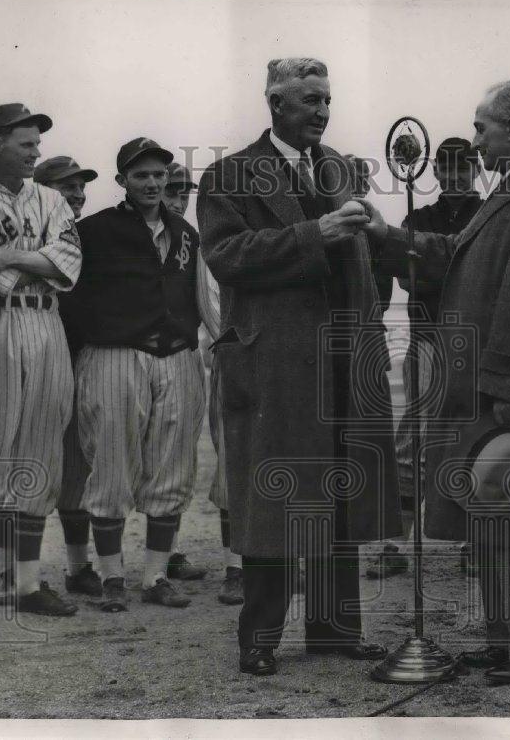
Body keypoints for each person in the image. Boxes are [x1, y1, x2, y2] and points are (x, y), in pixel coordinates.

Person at [362, 79, 510, 685]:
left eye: (483, 126)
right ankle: (508, 640)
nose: (477, 135)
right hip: (493, 388)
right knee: (494, 511)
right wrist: (387, 235)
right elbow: (453, 255)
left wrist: (505, 399)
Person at [197, 57, 400, 676]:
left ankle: (335, 631)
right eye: (310, 100)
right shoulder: (228, 175)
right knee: (277, 498)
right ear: (276, 104)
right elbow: (227, 256)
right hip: (276, 362)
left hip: (343, 359)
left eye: (327, 99)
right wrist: (316, 232)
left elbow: (365, 256)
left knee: (340, 492)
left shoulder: (342, 168)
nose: (323, 111)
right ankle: (258, 639)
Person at [61, 138, 211, 612]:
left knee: (172, 466)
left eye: (159, 174)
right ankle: (110, 579)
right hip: (114, 356)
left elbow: (197, 298)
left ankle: (155, 576)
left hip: (177, 355)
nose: (151, 183)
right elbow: (70, 301)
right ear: (122, 180)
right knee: (110, 464)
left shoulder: (186, 233)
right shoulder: (92, 230)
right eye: (141, 175)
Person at [0, 103, 82, 617]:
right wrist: (34, 262)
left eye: (38, 144)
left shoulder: (52, 198)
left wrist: (11, 259)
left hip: (46, 325)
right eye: (26, 144)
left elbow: (67, 262)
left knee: (40, 449)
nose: (36, 152)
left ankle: (24, 584)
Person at [367, 136, 484, 581]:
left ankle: (478, 539)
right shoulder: (417, 216)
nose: (454, 175)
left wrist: (434, 261)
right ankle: (397, 542)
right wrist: (430, 261)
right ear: (433, 171)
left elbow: (477, 272)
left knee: (475, 438)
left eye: (463, 167)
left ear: (475, 169)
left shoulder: (488, 213)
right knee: (411, 441)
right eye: (447, 168)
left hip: (473, 339)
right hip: (428, 337)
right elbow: (401, 271)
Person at [161, 160, 236, 598]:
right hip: (173, 356)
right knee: (171, 460)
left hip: (213, 353)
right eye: (172, 190)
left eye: (182, 192)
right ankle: (166, 553)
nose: (176, 199)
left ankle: (239, 564)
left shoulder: (201, 240)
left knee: (232, 456)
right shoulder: (156, 239)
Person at [32, 155, 105, 598]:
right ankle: (16, 572)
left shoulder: (88, 235)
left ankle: (79, 567)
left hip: (82, 357)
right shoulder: (32, 231)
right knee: (35, 466)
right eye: (66, 186)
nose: (77, 194)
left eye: (81, 187)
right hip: (37, 354)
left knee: (76, 470)